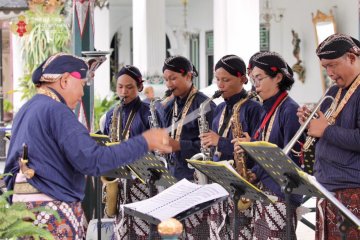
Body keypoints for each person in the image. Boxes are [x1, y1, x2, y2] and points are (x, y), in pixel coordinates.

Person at [3, 53, 171, 239]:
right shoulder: (57, 111)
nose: (82, 93)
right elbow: (92, 160)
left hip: (24, 212)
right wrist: (145, 141)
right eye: (82, 84)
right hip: (52, 213)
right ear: (65, 80)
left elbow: (10, 170)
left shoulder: (26, 109)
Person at [297, 33, 360, 240]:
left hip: (352, 190)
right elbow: (324, 128)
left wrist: (326, 130)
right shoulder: (335, 90)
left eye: (333, 65)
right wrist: (309, 122)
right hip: (327, 186)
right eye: (325, 67)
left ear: (352, 57)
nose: (329, 73)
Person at [235, 51, 303, 239]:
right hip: (265, 191)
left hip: (281, 193)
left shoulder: (289, 110)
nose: (254, 84)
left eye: (259, 78)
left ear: (278, 77)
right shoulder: (265, 108)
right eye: (252, 79)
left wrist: (253, 148)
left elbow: (292, 160)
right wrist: (253, 169)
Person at [200, 54, 263, 239]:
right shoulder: (219, 109)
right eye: (217, 79)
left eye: (226, 80)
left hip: (242, 182)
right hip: (219, 183)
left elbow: (254, 151)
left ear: (243, 79)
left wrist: (219, 141)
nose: (220, 85)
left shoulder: (253, 108)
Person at [102, 65, 163, 239]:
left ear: (140, 87)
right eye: (120, 87)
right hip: (120, 182)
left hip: (142, 182)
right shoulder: (111, 114)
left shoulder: (148, 113)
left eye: (129, 87)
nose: (124, 92)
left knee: (143, 231)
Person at [162, 55, 216, 239]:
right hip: (173, 177)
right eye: (166, 79)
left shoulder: (205, 105)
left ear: (189, 76)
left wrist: (179, 146)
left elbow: (209, 149)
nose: (169, 84)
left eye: (173, 78)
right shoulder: (170, 104)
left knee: (197, 233)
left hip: (196, 181)